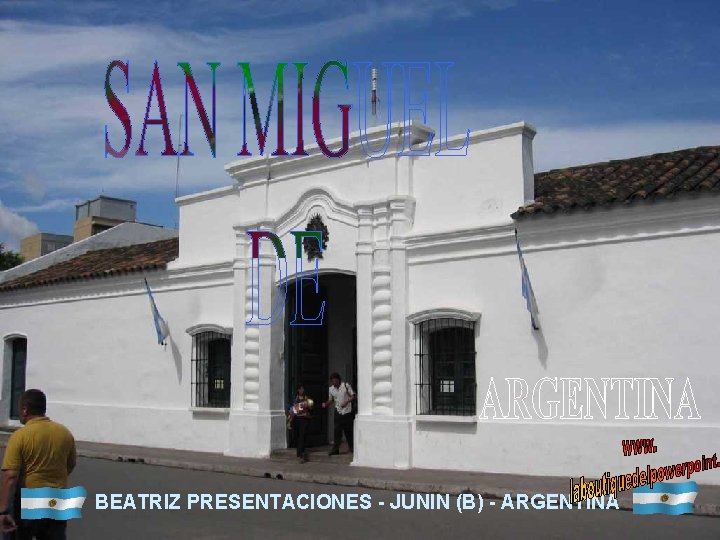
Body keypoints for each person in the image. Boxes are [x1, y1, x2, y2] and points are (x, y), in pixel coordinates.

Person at [0, 389, 77, 540]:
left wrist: (3, 510)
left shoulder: (20, 436)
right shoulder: (64, 433)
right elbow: (70, 464)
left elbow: (10, 477)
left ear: (25, 410)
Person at [321, 373, 355, 456]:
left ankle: (352, 448)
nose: (334, 383)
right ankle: (335, 449)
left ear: (339, 380)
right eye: (332, 381)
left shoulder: (346, 386)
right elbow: (331, 400)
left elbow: (353, 396)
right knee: (337, 431)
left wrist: (346, 402)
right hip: (338, 411)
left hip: (347, 411)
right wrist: (326, 404)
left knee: (348, 431)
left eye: (335, 381)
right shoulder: (331, 389)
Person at [287, 385, 313, 463]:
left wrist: (307, 405)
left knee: (302, 435)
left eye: (303, 389)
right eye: (300, 389)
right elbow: (291, 410)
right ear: (298, 390)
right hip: (296, 419)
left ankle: (300, 454)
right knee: (297, 436)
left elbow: (311, 408)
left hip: (304, 419)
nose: (302, 390)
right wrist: (289, 420)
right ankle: (301, 451)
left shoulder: (307, 399)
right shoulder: (294, 399)